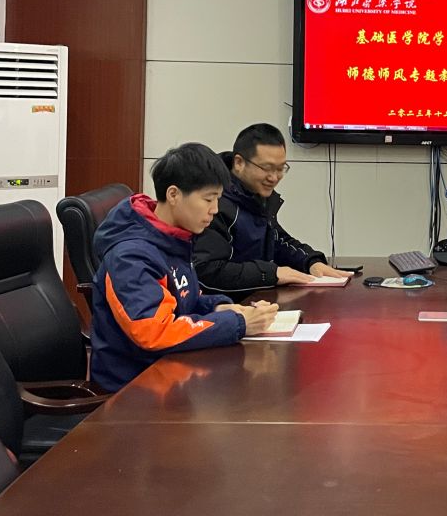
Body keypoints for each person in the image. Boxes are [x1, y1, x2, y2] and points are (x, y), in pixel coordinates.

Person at [90, 143, 279, 392]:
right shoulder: (130, 257)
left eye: (218, 199)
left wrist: (221, 307)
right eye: (208, 199)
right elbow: (154, 331)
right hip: (133, 389)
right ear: (173, 195)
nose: (214, 210)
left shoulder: (173, 237)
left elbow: (185, 300)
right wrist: (238, 323)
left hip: (172, 375)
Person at [193, 123, 351, 297]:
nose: (274, 177)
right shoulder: (213, 203)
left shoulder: (255, 194)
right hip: (227, 306)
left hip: (258, 302)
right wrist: (270, 273)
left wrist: (310, 261)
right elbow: (207, 272)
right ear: (239, 163)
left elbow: (276, 240)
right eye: (267, 168)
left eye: (281, 168)